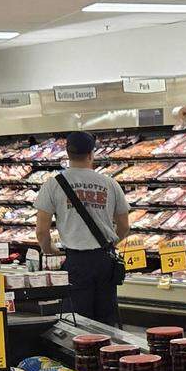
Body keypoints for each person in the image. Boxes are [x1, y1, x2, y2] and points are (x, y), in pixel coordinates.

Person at [35, 131, 129, 327]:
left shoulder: (53, 184)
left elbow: (42, 231)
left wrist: (50, 249)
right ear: (91, 154)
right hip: (105, 260)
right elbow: (124, 226)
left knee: (78, 321)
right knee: (107, 321)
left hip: (75, 261)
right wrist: (110, 244)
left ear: (67, 153)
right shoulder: (110, 184)